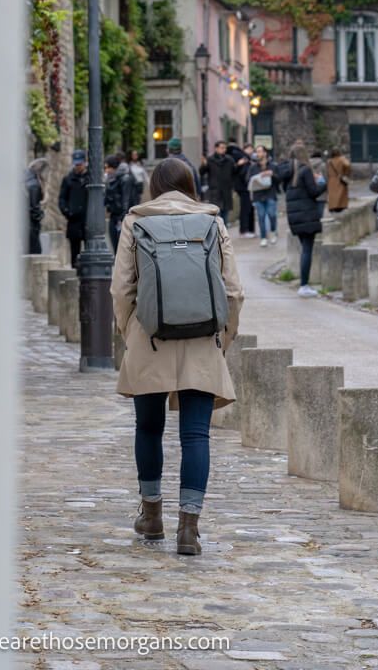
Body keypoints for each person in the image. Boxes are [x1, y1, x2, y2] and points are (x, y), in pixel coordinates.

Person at [110, 157, 244, 556]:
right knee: (196, 435)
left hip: (149, 337)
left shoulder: (136, 222)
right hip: (202, 336)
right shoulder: (213, 223)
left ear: (154, 186)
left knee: (148, 429)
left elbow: (121, 290)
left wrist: (131, 331)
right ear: (191, 185)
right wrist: (224, 337)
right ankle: (189, 528)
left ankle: (152, 516)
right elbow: (233, 290)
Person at [277, 143, 327, 296]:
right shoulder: (305, 170)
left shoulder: (288, 173)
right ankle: (304, 285)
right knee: (307, 250)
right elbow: (313, 192)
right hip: (307, 215)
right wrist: (322, 183)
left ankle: (304, 283)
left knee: (304, 249)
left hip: (295, 216)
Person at [58, 150, 89, 268]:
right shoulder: (68, 179)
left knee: (89, 251)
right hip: (73, 221)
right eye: (76, 164)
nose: (77, 167)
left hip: (87, 221)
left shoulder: (90, 178)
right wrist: (67, 211)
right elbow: (62, 198)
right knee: (74, 253)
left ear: (85, 163)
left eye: (79, 164)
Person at [247, 144, 278, 246]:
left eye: (260, 151)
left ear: (265, 153)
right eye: (257, 151)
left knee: (271, 214)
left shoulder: (273, 166)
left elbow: (279, 179)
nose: (258, 153)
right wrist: (258, 177)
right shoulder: (253, 167)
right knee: (261, 216)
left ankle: (273, 231)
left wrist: (272, 174)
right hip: (258, 195)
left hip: (270, 193)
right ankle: (263, 237)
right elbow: (247, 179)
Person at [105, 154, 134, 253]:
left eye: (108, 167)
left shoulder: (124, 179)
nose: (107, 170)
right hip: (114, 215)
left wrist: (123, 218)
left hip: (121, 216)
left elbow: (126, 200)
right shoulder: (111, 179)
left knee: (122, 248)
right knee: (115, 245)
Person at [206, 140, 235, 224]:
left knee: (225, 214)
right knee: (216, 214)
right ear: (216, 148)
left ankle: (224, 233)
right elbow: (202, 172)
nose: (224, 150)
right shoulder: (210, 160)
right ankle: (217, 234)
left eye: (225, 148)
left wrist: (232, 185)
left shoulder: (229, 160)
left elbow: (234, 173)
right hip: (215, 191)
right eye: (222, 148)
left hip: (226, 190)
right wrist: (203, 165)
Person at [25, 157, 48, 255]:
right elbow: (34, 207)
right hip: (31, 224)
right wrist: (40, 215)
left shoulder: (26, 180)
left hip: (26, 222)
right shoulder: (34, 184)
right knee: (35, 251)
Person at [234, 143, 257, 238]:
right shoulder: (244, 159)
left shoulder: (250, 160)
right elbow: (242, 173)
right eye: (249, 148)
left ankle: (250, 229)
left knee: (250, 208)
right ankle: (244, 230)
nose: (251, 150)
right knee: (246, 208)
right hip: (244, 187)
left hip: (247, 187)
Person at [326, 147, 351, 213]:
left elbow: (327, 171)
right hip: (339, 179)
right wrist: (346, 173)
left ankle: (332, 207)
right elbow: (348, 165)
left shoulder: (329, 161)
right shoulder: (342, 159)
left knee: (332, 194)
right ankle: (340, 206)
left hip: (331, 179)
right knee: (340, 194)